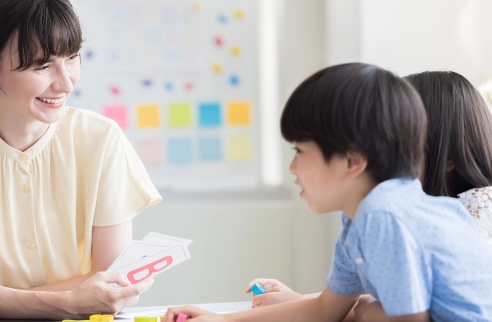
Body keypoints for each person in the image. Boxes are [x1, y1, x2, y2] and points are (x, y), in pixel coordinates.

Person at [164, 63, 492, 322]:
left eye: (300, 152)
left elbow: (407, 320)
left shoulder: (385, 213)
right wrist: (223, 319)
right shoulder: (358, 220)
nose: (292, 168)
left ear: (351, 162)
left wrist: (363, 308)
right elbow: (324, 309)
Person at [0, 0, 161, 319]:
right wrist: (70, 300)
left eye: (72, 57)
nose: (65, 82)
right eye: (42, 66)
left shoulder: (101, 138)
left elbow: (109, 281)